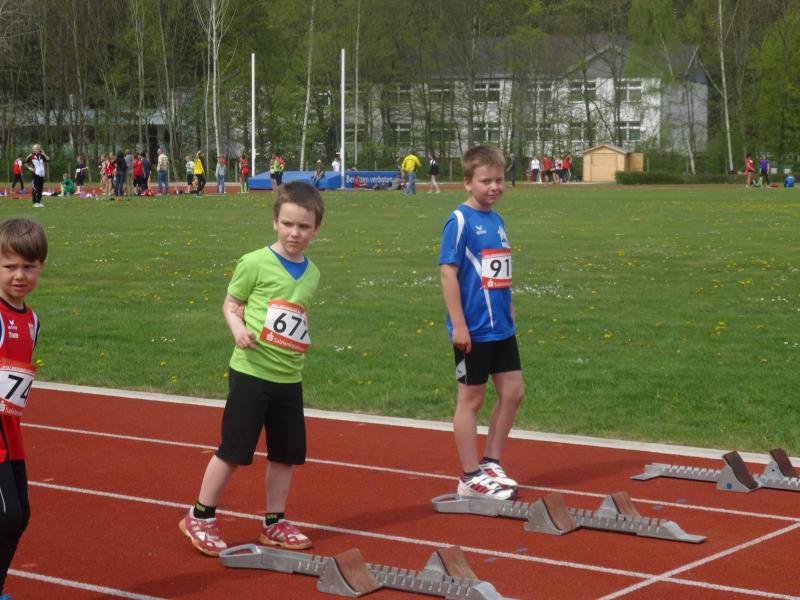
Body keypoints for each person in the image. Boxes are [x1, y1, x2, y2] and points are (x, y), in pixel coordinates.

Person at [179, 181, 325, 557]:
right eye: (288, 224)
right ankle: (200, 516)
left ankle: (274, 522)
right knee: (234, 450)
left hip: (289, 376)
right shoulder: (254, 262)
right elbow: (231, 304)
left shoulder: (312, 273)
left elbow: (298, 315)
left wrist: (300, 339)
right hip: (251, 372)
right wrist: (238, 329)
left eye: (304, 226)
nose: (295, 233)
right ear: (275, 222)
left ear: (315, 230)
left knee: (285, 454)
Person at [438, 145, 524, 501]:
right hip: (473, 328)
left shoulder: (497, 220)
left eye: (499, 180)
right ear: (467, 183)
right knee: (471, 398)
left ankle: (491, 463)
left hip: (500, 325)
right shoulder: (459, 220)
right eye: (486, 181)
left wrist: (509, 305)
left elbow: (497, 269)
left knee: (513, 392)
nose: (494, 187)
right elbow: (448, 272)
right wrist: (458, 324)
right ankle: (470, 476)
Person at [0, 217, 47, 594]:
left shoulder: (32, 321)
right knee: (8, 516)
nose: (19, 275)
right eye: (9, 266)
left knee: (19, 517)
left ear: (41, 267)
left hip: (10, 435)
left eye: (28, 267)